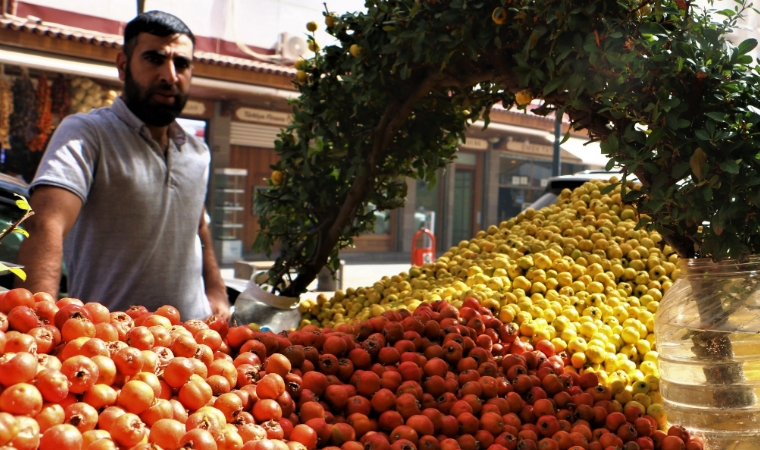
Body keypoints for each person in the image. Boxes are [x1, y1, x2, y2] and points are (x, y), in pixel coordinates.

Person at [16, 11, 230, 321]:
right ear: (122, 65)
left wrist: (217, 290)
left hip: (193, 349)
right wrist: (39, 327)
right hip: (110, 350)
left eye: (181, 64)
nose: (170, 75)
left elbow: (197, 226)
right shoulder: (88, 134)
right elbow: (45, 223)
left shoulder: (198, 153)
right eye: (154, 59)